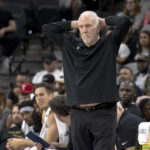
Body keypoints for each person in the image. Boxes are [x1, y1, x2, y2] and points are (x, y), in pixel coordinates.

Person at [42, 11, 131, 150]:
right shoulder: (69, 44)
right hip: (78, 114)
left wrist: (104, 21)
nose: (84, 30)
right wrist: (75, 23)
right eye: (81, 27)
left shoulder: (109, 43)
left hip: (104, 113)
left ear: (98, 27)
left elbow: (125, 21)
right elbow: (47, 28)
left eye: (88, 26)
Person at [0, 0, 20, 70]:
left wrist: (4, 29)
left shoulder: (7, 13)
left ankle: (7, 59)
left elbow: (14, 27)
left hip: (5, 36)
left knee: (15, 39)